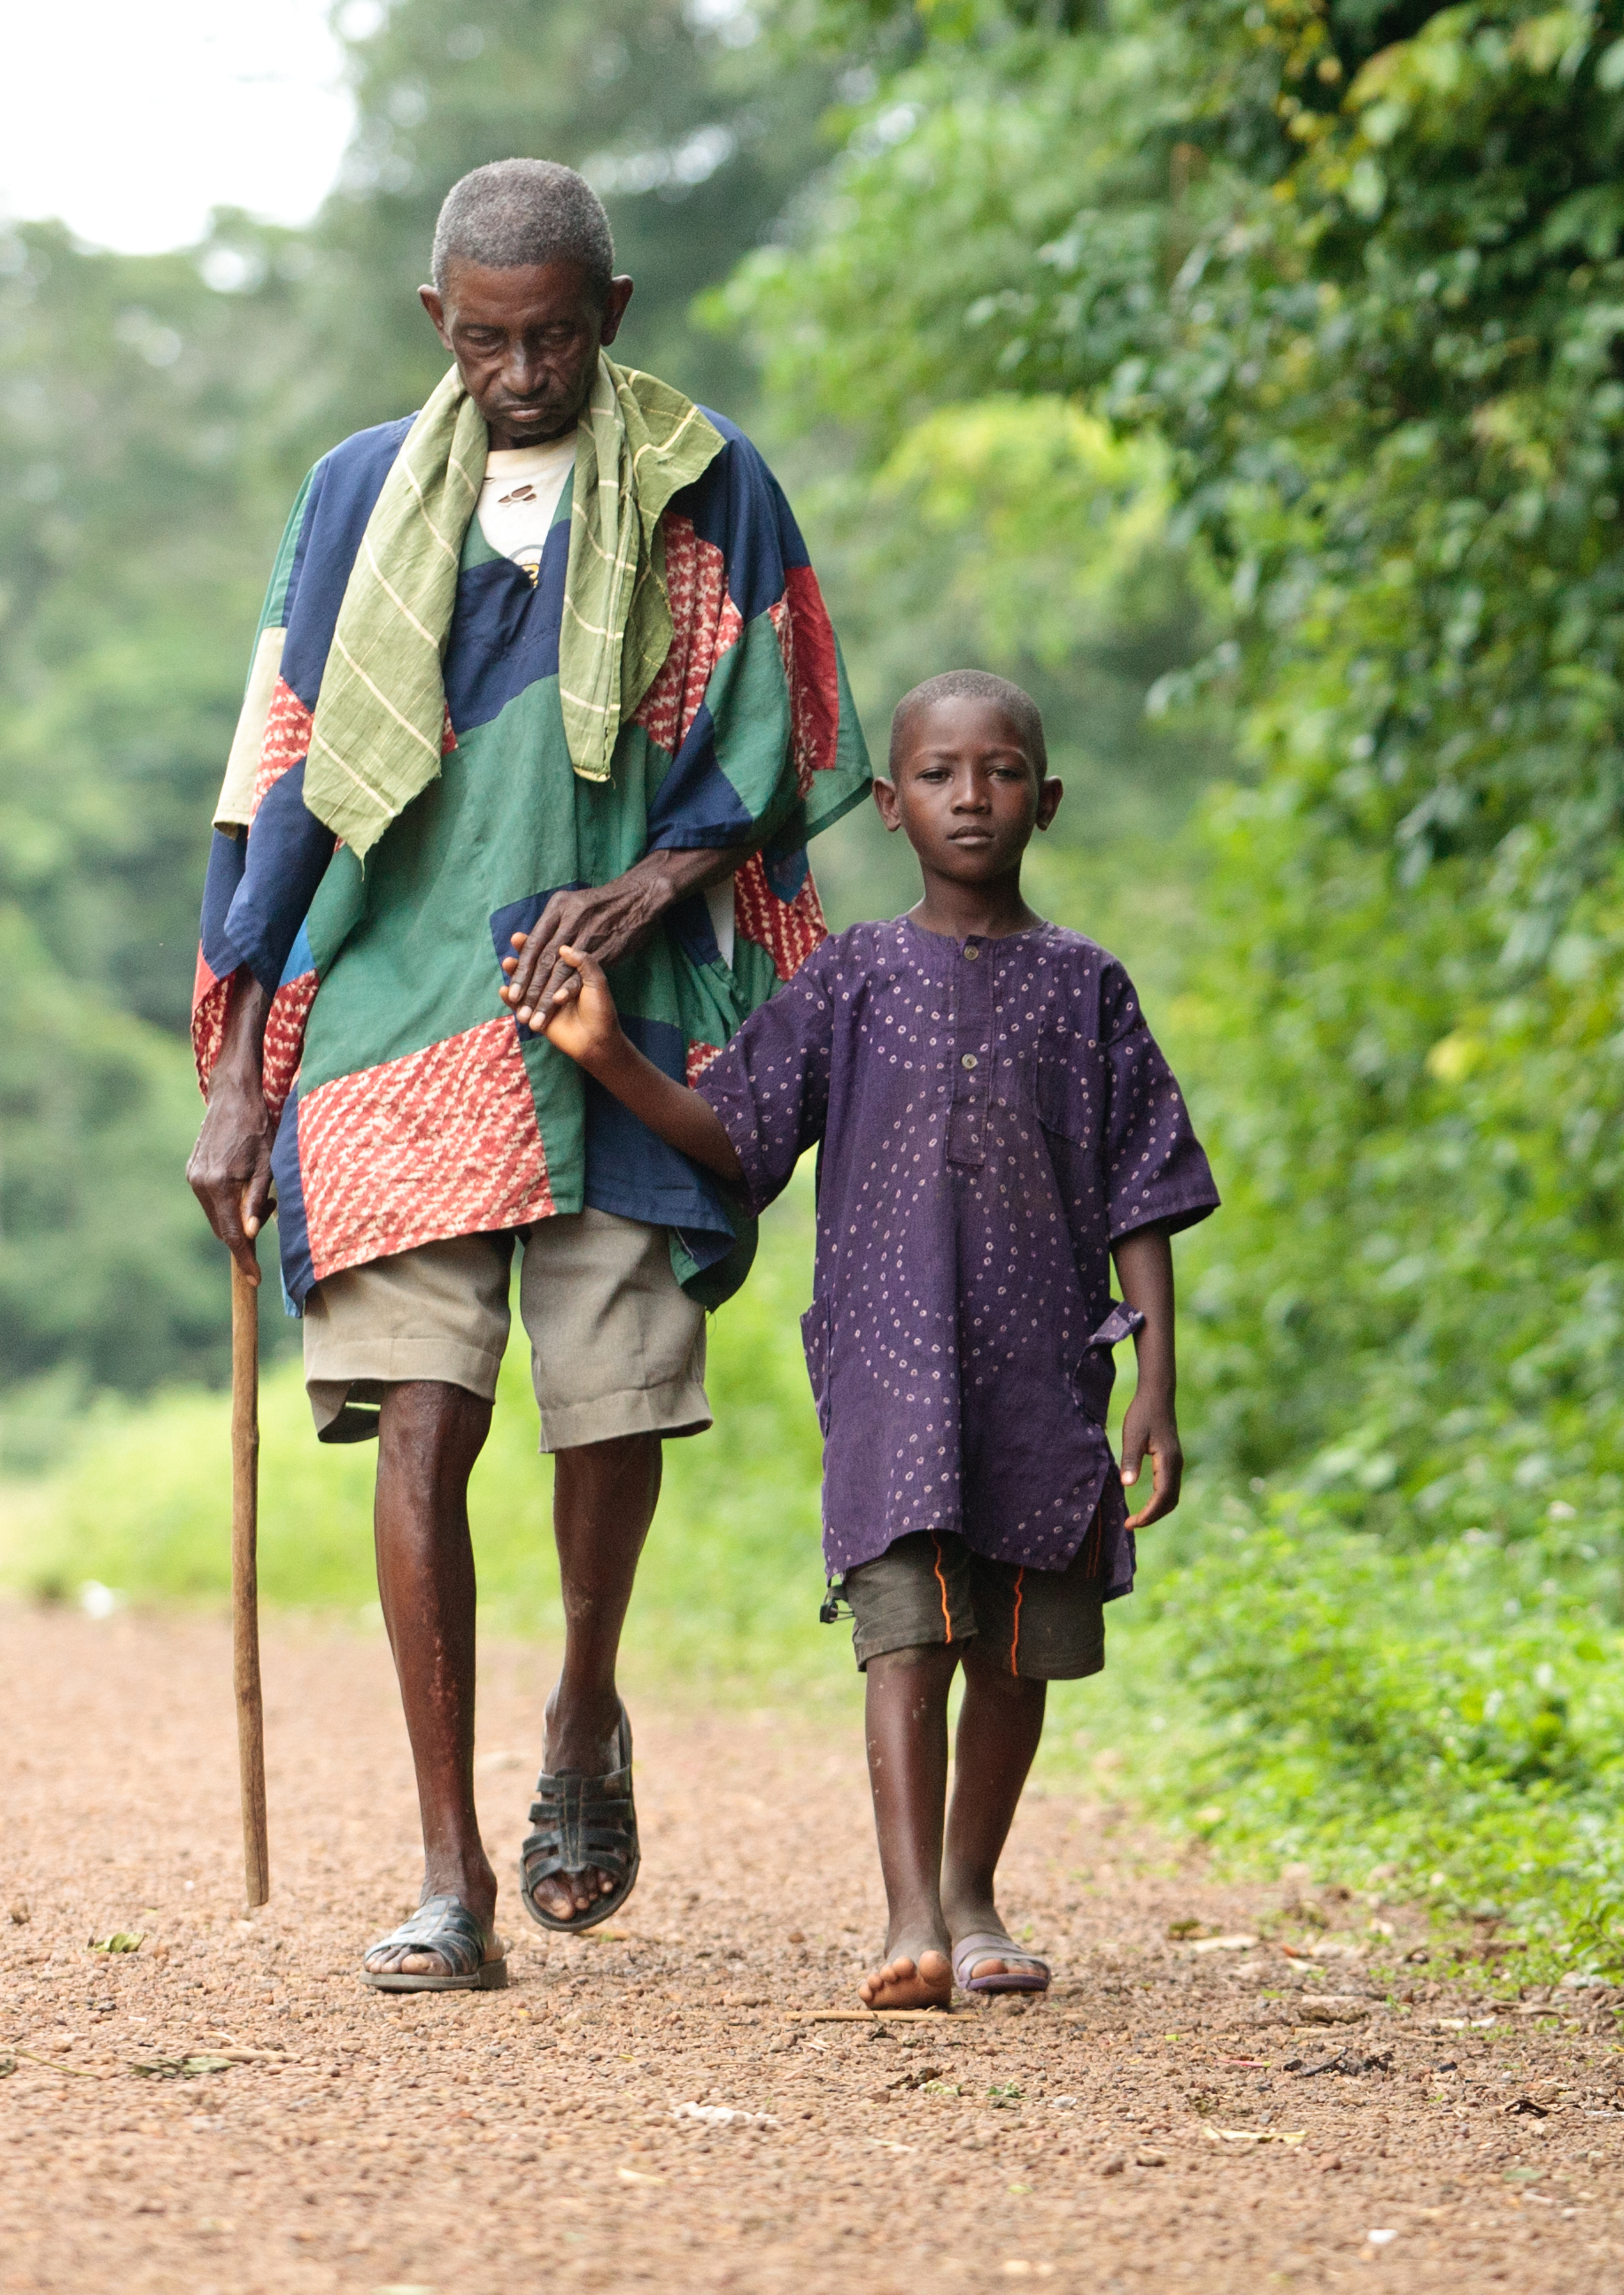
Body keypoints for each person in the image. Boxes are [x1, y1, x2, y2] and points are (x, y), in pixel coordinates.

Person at [182, 159, 870, 1992]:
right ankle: (447, 1873)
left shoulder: (711, 480)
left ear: (612, 316)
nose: (521, 369)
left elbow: (784, 725)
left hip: (617, 1023)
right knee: (422, 1412)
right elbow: (278, 774)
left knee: (614, 1406)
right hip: (397, 1006)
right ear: (437, 326)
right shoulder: (349, 499)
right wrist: (238, 1066)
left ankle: (581, 1705)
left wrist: (649, 888)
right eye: (485, 339)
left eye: (554, 334)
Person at [507, 669, 1213, 2006]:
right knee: (903, 1638)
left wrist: (1155, 1393)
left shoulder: (1088, 988)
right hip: (891, 1380)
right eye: (940, 774)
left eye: (1000, 772)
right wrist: (607, 1058)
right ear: (890, 805)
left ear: (1045, 800)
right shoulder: (854, 978)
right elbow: (742, 1136)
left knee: (1016, 1650)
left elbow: (1145, 1197)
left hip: (1047, 1383)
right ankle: (910, 1922)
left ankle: (976, 1895)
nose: (971, 796)